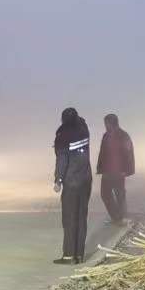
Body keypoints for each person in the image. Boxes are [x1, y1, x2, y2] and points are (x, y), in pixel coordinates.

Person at [52, 107, 92, 264]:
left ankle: (69, 256)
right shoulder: (84, 130)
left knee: (70, 217)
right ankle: (79, 255)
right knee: (81, 217)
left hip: (72, 181)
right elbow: (82, 121)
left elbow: (62, 160)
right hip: (85, 179)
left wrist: (58, 180)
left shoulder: (63, 135)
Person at [97, 113, 136, 223]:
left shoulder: (123, 135)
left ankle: (121, 217)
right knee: (105, 194)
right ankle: (116, 217)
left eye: (107, 123)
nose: (105, 125)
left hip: (119, 171)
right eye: (105, 123)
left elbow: (129, 153)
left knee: (120, 194)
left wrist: (128, 170)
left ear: (113, 122)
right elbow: (102, 153)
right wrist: (100, 167)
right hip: (107, 171)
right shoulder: (106, 136)